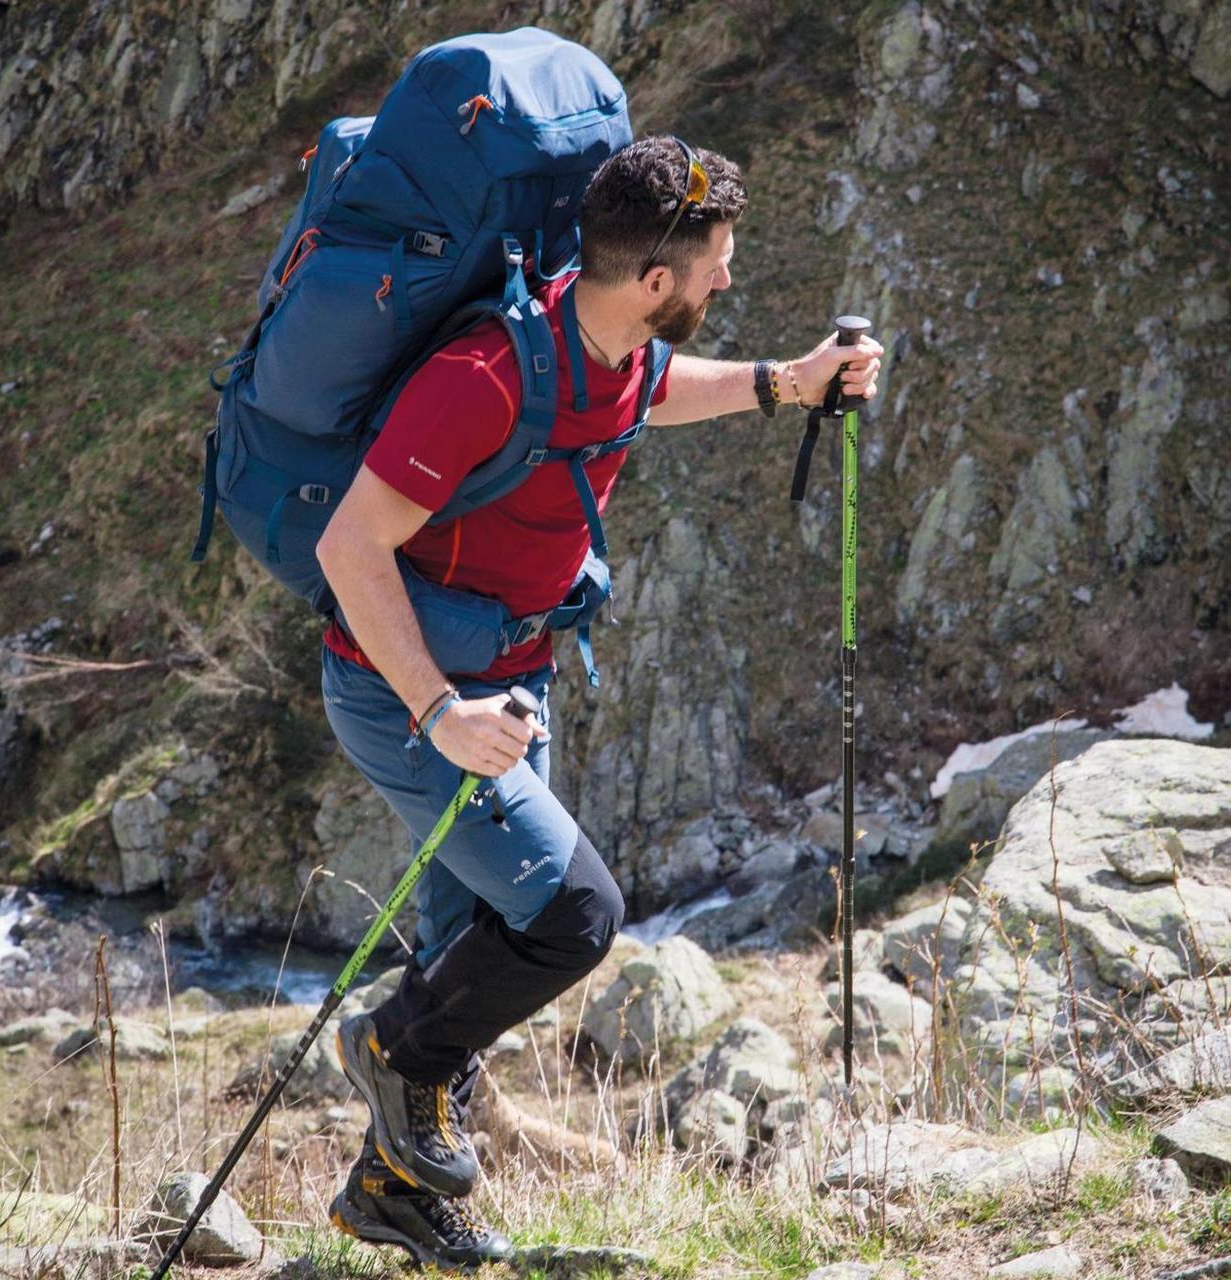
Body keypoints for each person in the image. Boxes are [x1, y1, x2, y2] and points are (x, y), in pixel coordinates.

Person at [317, 135, 884, 1267]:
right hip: (408, 693)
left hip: (511, 680)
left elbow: (653, 391)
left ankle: (393, 1192)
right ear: (657, 280)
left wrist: (786, 381)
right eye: (716, 262)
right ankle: (387, 1052)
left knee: (467, 947)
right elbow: (349, 546)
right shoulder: (481, 377)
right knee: (572, 913)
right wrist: (439, 716)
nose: (729, 280)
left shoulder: (609, 340)